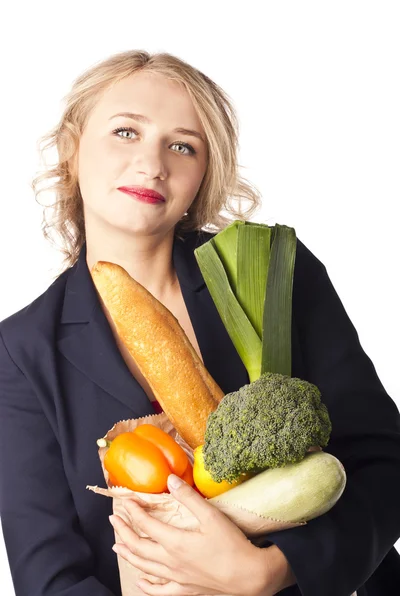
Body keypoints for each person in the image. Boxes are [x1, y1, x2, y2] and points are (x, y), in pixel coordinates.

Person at [0, 49, 399, 596]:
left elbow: (383, 459)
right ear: (71, 148)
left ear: (202, 173)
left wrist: (271, 571)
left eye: (182, 145)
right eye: (125, 132)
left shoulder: (274, 271)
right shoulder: (21, 349)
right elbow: (51, 579)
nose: (152, 163)